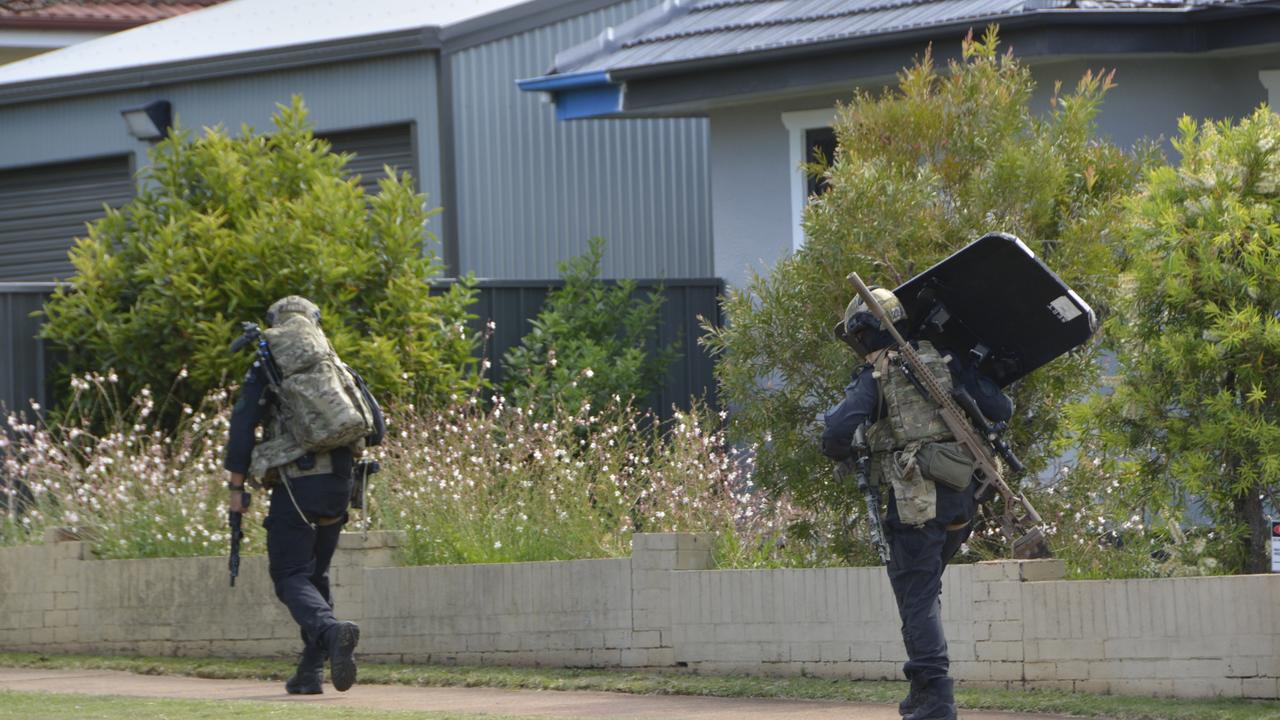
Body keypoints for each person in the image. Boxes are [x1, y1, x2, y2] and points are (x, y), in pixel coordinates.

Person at [821, 287, 1012, 720]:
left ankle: (934, 699)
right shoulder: (943, 361)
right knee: (922, 591)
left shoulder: (877, 372)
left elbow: (836, 432)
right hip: (965, 496)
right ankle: (923, 690)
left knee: (917, 595)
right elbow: (1001, 407)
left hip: (916, 503)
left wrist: (844, 449)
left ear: (863, 333)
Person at [224, 296, 360, 695]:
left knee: (289, 575)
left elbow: (242, 427)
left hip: (298, 483)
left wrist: (236, 489)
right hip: (341, 481)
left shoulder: (267, 367)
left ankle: (331, 631)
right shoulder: (333, 365)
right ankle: (310, 672)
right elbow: (377, 426)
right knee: (314, 574)